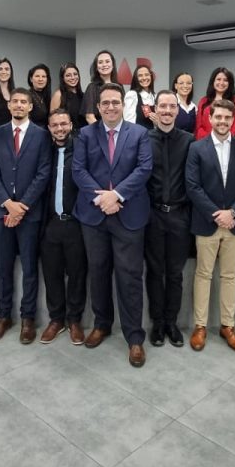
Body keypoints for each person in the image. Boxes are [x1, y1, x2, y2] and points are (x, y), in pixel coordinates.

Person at [73, 83, 153, 368]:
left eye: (115, 102)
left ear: (123, 104)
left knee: (130, 276)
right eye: (105, 103)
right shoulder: (85, 134)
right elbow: (78, 170)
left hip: (129, 214)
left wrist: (116, 195)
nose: (110, 107)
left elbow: (144, 169)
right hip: (94, 215)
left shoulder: (140, 133)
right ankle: (102, 324)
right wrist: (102, 198)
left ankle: (134, 337)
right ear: (98, 107)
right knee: (98, 272)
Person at [185, 99, 235, 352]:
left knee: (229, 275)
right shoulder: (197, 148)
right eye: (218, 117)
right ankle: (200, 326)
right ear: (210, 118)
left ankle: (228, 326)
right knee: (203, 274)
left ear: (233, 119)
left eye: (227, 117)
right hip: (207, 222)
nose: (223, 121)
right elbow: (193, 186)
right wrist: (217, 214)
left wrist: (233, 212)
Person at [0, 88, 52, 343]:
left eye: (24, 102)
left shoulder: (41, 135)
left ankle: (28, 318)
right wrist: (7, 203)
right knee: (3, 267)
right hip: (1, 211)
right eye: (15, 101)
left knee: (29, 268)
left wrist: (21, 206)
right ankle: (3, 316)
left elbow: (43, 173)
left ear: (30, 107)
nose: (19, 105)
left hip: (29, 214)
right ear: (9, 105)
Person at [144, 89, 193, 347]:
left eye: (171, 106)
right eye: (162, 106)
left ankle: (171, 322)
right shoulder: (144, 139)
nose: (166, 111)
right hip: (152, 215)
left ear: (177, 110)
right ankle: (157, 323)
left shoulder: (189, 141)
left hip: (179, 216)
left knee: (175, 273)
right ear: (155, 109)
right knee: (154, 271)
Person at [38, 107, 87, 345]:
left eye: (64, 124)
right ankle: (56, 319)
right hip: (50, 224)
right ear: (49, 128)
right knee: (52, 274)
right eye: (55, 125)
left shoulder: (81, 150)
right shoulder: (44, 152)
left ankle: (74, 320)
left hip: (75, 223)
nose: (60, 129)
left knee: (77, 274)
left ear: (71, 125)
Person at [194, 67, 235, 139]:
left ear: (230, 83)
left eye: (225, 80)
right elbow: (198, 127)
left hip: (229, 142)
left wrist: (223, 139)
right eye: (218, 79)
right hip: (205, 142)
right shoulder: (203, 101)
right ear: (213, 81)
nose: (221, 83)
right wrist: (211, 140)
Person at [82, 49, 118, 125]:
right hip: (98, 130)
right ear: (96, 67)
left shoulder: (119, 87)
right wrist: (105, 131)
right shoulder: (92, 88)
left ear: (113, 65)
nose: (104, 65)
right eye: (100, 62)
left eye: (107, 61)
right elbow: (89, 117)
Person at [51, 63, 85, 132]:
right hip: (67, 135)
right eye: (68, 75)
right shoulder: (58, 95)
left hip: (83, 134)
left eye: (75, 74)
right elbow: (53, 119)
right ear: (62, 78)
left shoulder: (82, 95)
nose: (73, 77)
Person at [124, 62, 157, 129]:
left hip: (154, 134)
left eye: (146, 75)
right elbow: (128, 123)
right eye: (140, 76)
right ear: (136, 78)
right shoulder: (132, 95)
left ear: (151, 76)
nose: (144, 78)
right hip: (138, 134)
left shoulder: (155, 96)